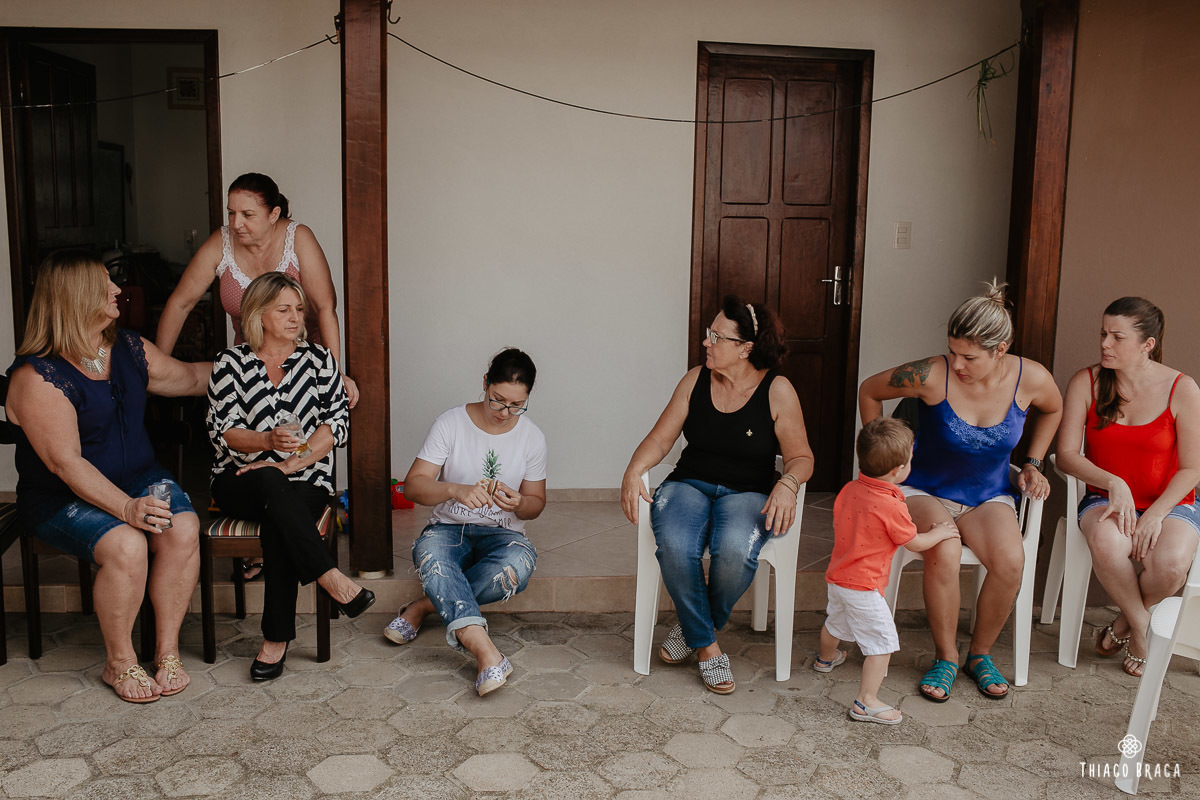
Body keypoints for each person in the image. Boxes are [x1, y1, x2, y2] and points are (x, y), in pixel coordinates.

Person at [5, 252, 211, 703]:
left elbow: (193, 378)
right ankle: (118, 662)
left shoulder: (128, 349)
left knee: (184, 528)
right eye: (105, 284)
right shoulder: (36, 376)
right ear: (76, 297)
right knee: (126, 543)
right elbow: (66, 465)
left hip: (138, 477)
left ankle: (167, 652)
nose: (118, 290)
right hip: (59, 497)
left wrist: (273, 365)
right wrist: (126, 508)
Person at [858, 281, 1062, 701]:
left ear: (1000, 349)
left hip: (987, 495)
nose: (958, 363)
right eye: (953, 351)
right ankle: (946, 657)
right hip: (923, 489)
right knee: (944, 549)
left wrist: (1033, 462)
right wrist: (884, 459)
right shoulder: (932, 375)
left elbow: (1054, 408)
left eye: (969, 356)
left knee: (1010, 559)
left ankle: (979, 655)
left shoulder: (1032, 378)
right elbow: (869, 391)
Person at [158, 172, 358, 582]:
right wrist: (157, 363)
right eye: (231, 213)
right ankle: (324, 574)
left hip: (304, 365)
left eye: (247, 214)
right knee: (188, 391)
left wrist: (334, 375)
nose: (236, 223)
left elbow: (324, 309)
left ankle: (274, 549)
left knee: (285, 462)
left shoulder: (298, 238)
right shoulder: (222, 242)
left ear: (274, 214)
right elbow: (180, 302)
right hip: (248, 364)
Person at [621, 296, 814, 694]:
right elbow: (661, 438)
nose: (706, 342)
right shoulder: (695, 380)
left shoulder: (777, 390)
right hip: (689, 483)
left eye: (716, 337)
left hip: (748, 490)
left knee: (733, 550)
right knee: (674, 544)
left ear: (745, 348)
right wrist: (634, 469)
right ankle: (707, 647)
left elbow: (800, 456)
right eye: (709, 334)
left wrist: (788, 484)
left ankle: (692, 628)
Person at [206, 273, 373, 681]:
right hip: (238, 480)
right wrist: (265, 439)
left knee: (280, 513)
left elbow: (336, 425)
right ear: (258, 314)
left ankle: (275, 641)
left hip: (304, 481)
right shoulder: (230, 364)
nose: (295, 317)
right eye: (284, 309)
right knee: (269, 487)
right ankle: (330, 578)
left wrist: (286, 463)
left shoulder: (319, 361)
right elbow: (224, 431)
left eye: (299, 309)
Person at [384, 348, 546, 696]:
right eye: (497, 400)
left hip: (503, 533)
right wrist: (454, 489)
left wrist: (520, 503)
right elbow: (412, 486)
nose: (505, 413)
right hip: (447, 528)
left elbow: (536, 504)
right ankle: (486, 651)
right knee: (432, 555)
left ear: (528, 398)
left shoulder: (532, 436)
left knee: (519, 563)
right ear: (485, 384)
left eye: (516, 405)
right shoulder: (451, 423)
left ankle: (424, 606)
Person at [1055, 297, 1200, 677]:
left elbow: (1191, 468)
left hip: (1169, 503)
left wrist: (1154, 514)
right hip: (1106, 499)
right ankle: (1142, 628)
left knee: (1170, 567)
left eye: (1117, 337)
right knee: (1107, 542)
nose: (1105, 343)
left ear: (1147, 344)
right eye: (1103, 334)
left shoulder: (1182, 388)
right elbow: (1067, 454)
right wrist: (1112, 481)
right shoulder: (1086, 381)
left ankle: (1121, 623)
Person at [816, 417, 961, 724]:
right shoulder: (891, 505)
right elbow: (914, 542)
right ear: (898, 470)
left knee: (836, 622)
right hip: (864, 586)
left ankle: (826, 658)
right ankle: (866, 701)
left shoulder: (849, 489)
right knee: (882, 643)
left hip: (839, 577)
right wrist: (940, 533)